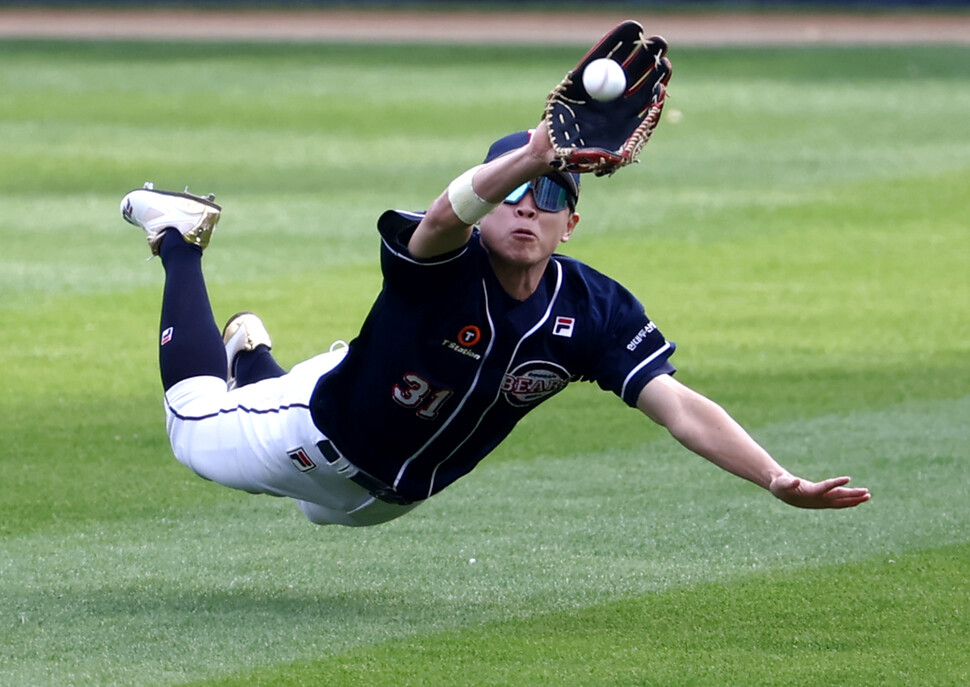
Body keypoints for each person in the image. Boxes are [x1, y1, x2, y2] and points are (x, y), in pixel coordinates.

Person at [120, 118, 870, 527]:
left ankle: (253, 357)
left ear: (570, 221)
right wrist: (532, 154)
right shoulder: (441, 260)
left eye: (548, 193)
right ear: (488, 206)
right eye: (513, 191)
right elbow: (445, 214)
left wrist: (774, 476)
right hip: (310, 438)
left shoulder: (593, 309)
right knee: (192, 425)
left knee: (323, 517)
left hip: (388, 502)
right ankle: (180, 237)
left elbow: (678, 406)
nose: (527, 207)